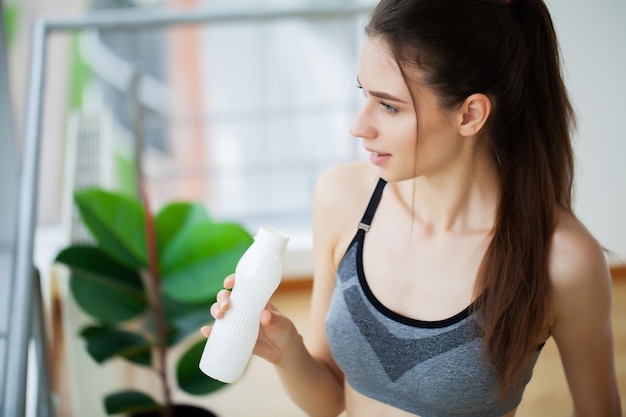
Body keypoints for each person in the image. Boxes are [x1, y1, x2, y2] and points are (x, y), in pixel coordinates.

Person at [202, 0, 622, 415]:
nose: (359, 126)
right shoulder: (343, 197)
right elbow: (329, 402)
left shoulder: (562, 261)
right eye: (364, 94)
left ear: (470, 115)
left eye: (389, 105)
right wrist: (287, 352)